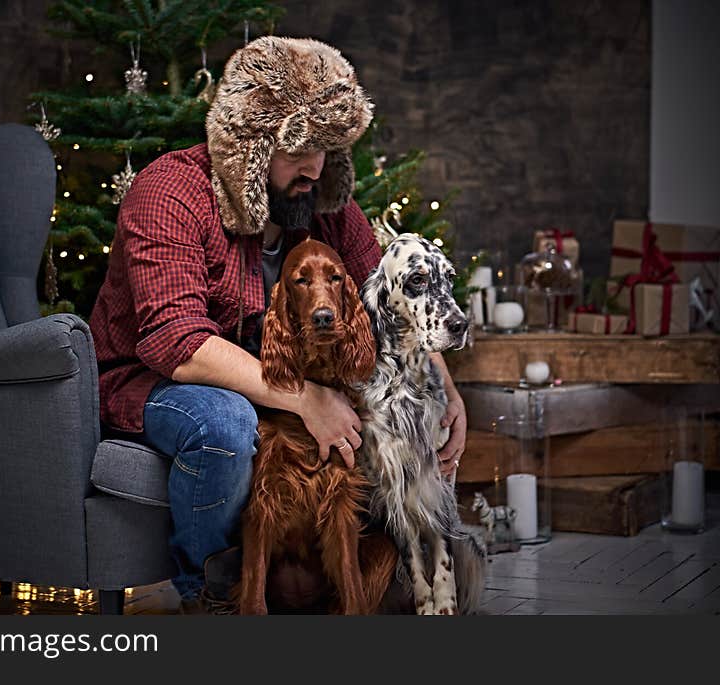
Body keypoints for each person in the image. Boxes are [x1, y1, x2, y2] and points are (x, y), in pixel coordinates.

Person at [89, 36, 467, 612]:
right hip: (152, 382)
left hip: (268, 377)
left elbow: (385, 297)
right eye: (297, 149)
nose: (313, 167)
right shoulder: (170, 192)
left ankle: (358, 574)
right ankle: (210, 595)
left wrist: (445, 390)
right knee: (225, 421)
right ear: (251, 145)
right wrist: (307, 399)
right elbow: (180, 345)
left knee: (378, 399)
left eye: (326, 149)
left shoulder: (320, 199)